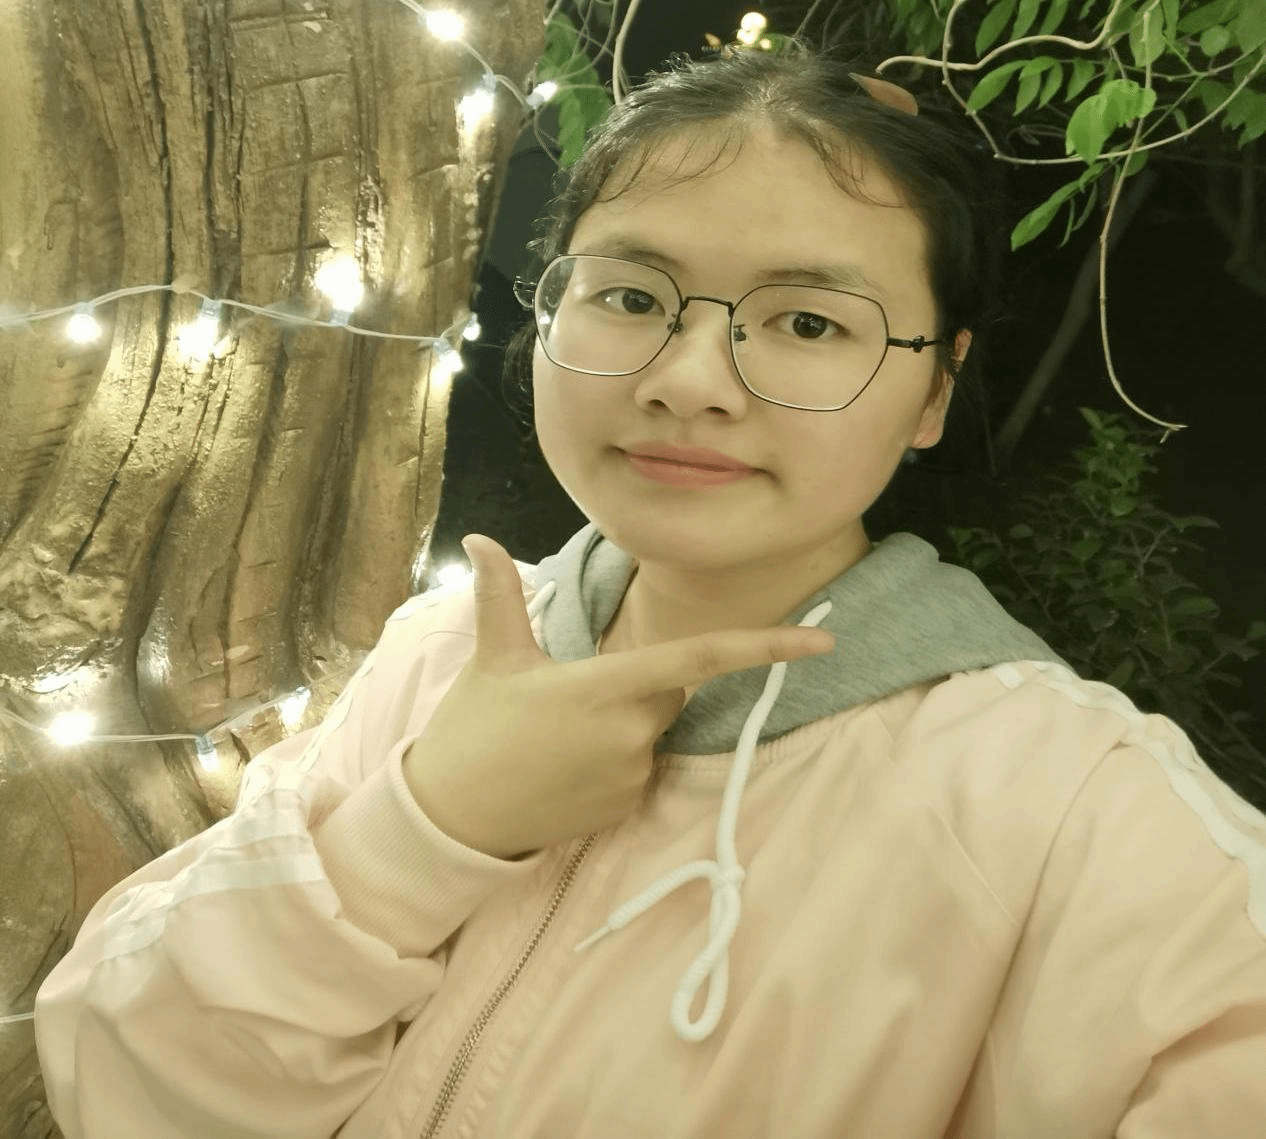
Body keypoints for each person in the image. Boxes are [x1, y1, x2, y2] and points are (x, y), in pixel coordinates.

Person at [34, 45, 1266, 1139]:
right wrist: (422, 830)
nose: (691, 380)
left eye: (809, 323)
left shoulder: (1063, 802)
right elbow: (128, 1077)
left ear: (935, 388)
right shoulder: (442, 651)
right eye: (630, 297)